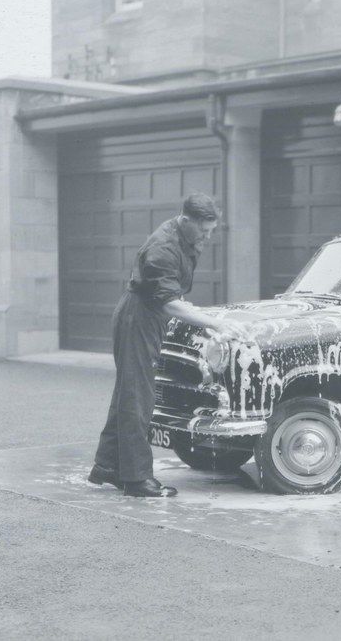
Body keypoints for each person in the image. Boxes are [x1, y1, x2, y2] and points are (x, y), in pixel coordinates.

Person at [88, 194, 247, 497]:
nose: (208, 237)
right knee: (139, 398)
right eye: (203, 230)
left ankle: (108, 466)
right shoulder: (163, 247)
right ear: (186, 220)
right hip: (139, 318)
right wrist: (215, 323)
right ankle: (137, 480)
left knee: (129, 392)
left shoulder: (183, 237)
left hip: (149, 316)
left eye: (212, 230)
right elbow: (170, 303)